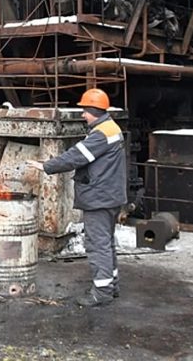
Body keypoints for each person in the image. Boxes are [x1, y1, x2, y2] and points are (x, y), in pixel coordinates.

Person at [37, 88, 127, 307]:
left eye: (85, 111)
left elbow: (76, 156)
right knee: (106, 243)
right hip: (110, 195)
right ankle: (110, 285)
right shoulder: (111, 127)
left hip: (99, 198)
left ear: (93, 110)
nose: (83, 115)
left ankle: (101, 293)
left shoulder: (101, 134)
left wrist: (46, 166)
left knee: (97, 245)